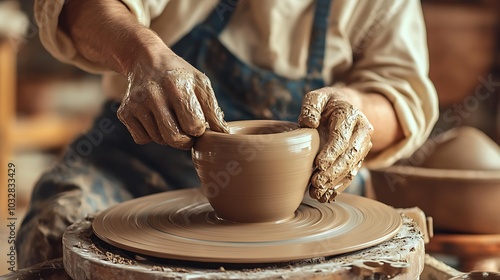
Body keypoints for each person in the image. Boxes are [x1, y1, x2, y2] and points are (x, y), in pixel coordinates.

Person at [18, 0, 438, 267]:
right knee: (59, 229)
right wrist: (142, 56)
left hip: (309, 192)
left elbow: (403, 97)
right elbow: (72, 8)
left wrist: (355, 107)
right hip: (136, 160)